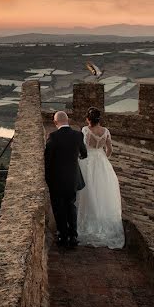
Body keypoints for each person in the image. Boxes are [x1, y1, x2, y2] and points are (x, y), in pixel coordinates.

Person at [77, 107, 125, 249]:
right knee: (102, 191)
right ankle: (102, 220)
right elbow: (110, 149)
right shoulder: (106, 132)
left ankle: (87, 221)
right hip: (102, 161)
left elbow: (83, 148)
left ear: (88, 119)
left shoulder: (86, 130)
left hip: (88, 162)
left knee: (87, 190)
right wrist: (104, 157)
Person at [44, 111, 86, 247]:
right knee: (71, 205)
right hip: (73, 179)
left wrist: (48, 179)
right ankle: (73, 236)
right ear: (67, 120)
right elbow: (84, 153)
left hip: (57, 180)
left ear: (55, 123)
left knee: (58, 207)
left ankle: (63, 236)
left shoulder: (53, 137)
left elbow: (47, 160)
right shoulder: (78, 135)